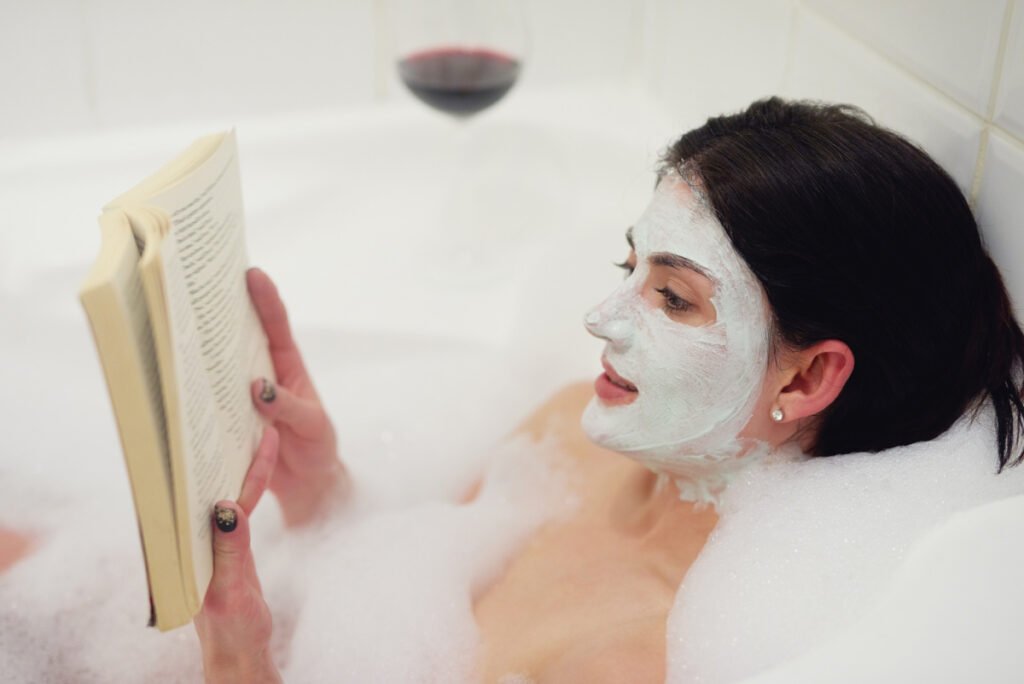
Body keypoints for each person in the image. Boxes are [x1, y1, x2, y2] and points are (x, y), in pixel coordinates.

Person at [5, 97, 1023, 682]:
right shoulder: (577, 437)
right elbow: (394, 575)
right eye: (628, 266)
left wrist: (236, 655)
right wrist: (324, 495)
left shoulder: (647, 652)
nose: (602, 317)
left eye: (672, 297)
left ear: (807, 375)